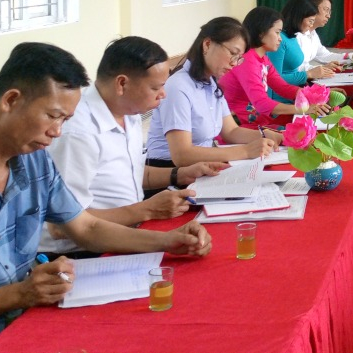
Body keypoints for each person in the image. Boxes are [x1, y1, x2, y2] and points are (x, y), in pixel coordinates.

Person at [0, 43, 211, 352]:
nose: (58, 132)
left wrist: (169, 241)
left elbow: (85, 227)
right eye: (53, 116)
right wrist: (20, 295)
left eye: (65, 120)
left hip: (30, 320)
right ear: (11, 100)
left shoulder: (36, 162)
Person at [39, 37, 229, 257]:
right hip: (82, 253)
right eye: (156, 87)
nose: (163, 95)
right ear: (122, 84)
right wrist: (146, 210)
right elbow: (62, 226)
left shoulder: (129, 113)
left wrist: (179, 174)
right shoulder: (78, 133)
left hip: (127, 233)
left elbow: (131, 172)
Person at [144, 17, 281, 168]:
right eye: (232, 53)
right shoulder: (178, 87)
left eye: (239, 58)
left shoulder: (212, 84)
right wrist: (245, 151)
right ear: (207, 44)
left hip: (201, 168)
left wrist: (266, 135)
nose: (234, 63)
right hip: (170, 173)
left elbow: (231, 131)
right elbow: (182, 155)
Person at [219, 7, 330, 127]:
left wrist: (314, 96)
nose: (280, 38)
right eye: (277, 32)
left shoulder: (262, 58)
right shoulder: (247, 61)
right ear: (261, 32)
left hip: (256, 122)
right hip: (239, 126)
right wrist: (302, 109)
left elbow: (282, 87)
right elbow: (261, 103)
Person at [294, 0, 353, 77]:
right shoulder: (296, 35)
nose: (328, 16)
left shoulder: (312, 33)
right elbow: (294, 69)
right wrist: (322, 68)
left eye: (330, 12)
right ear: (311, 7)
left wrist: (351, 57)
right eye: (326, 10)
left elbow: (324, 55)